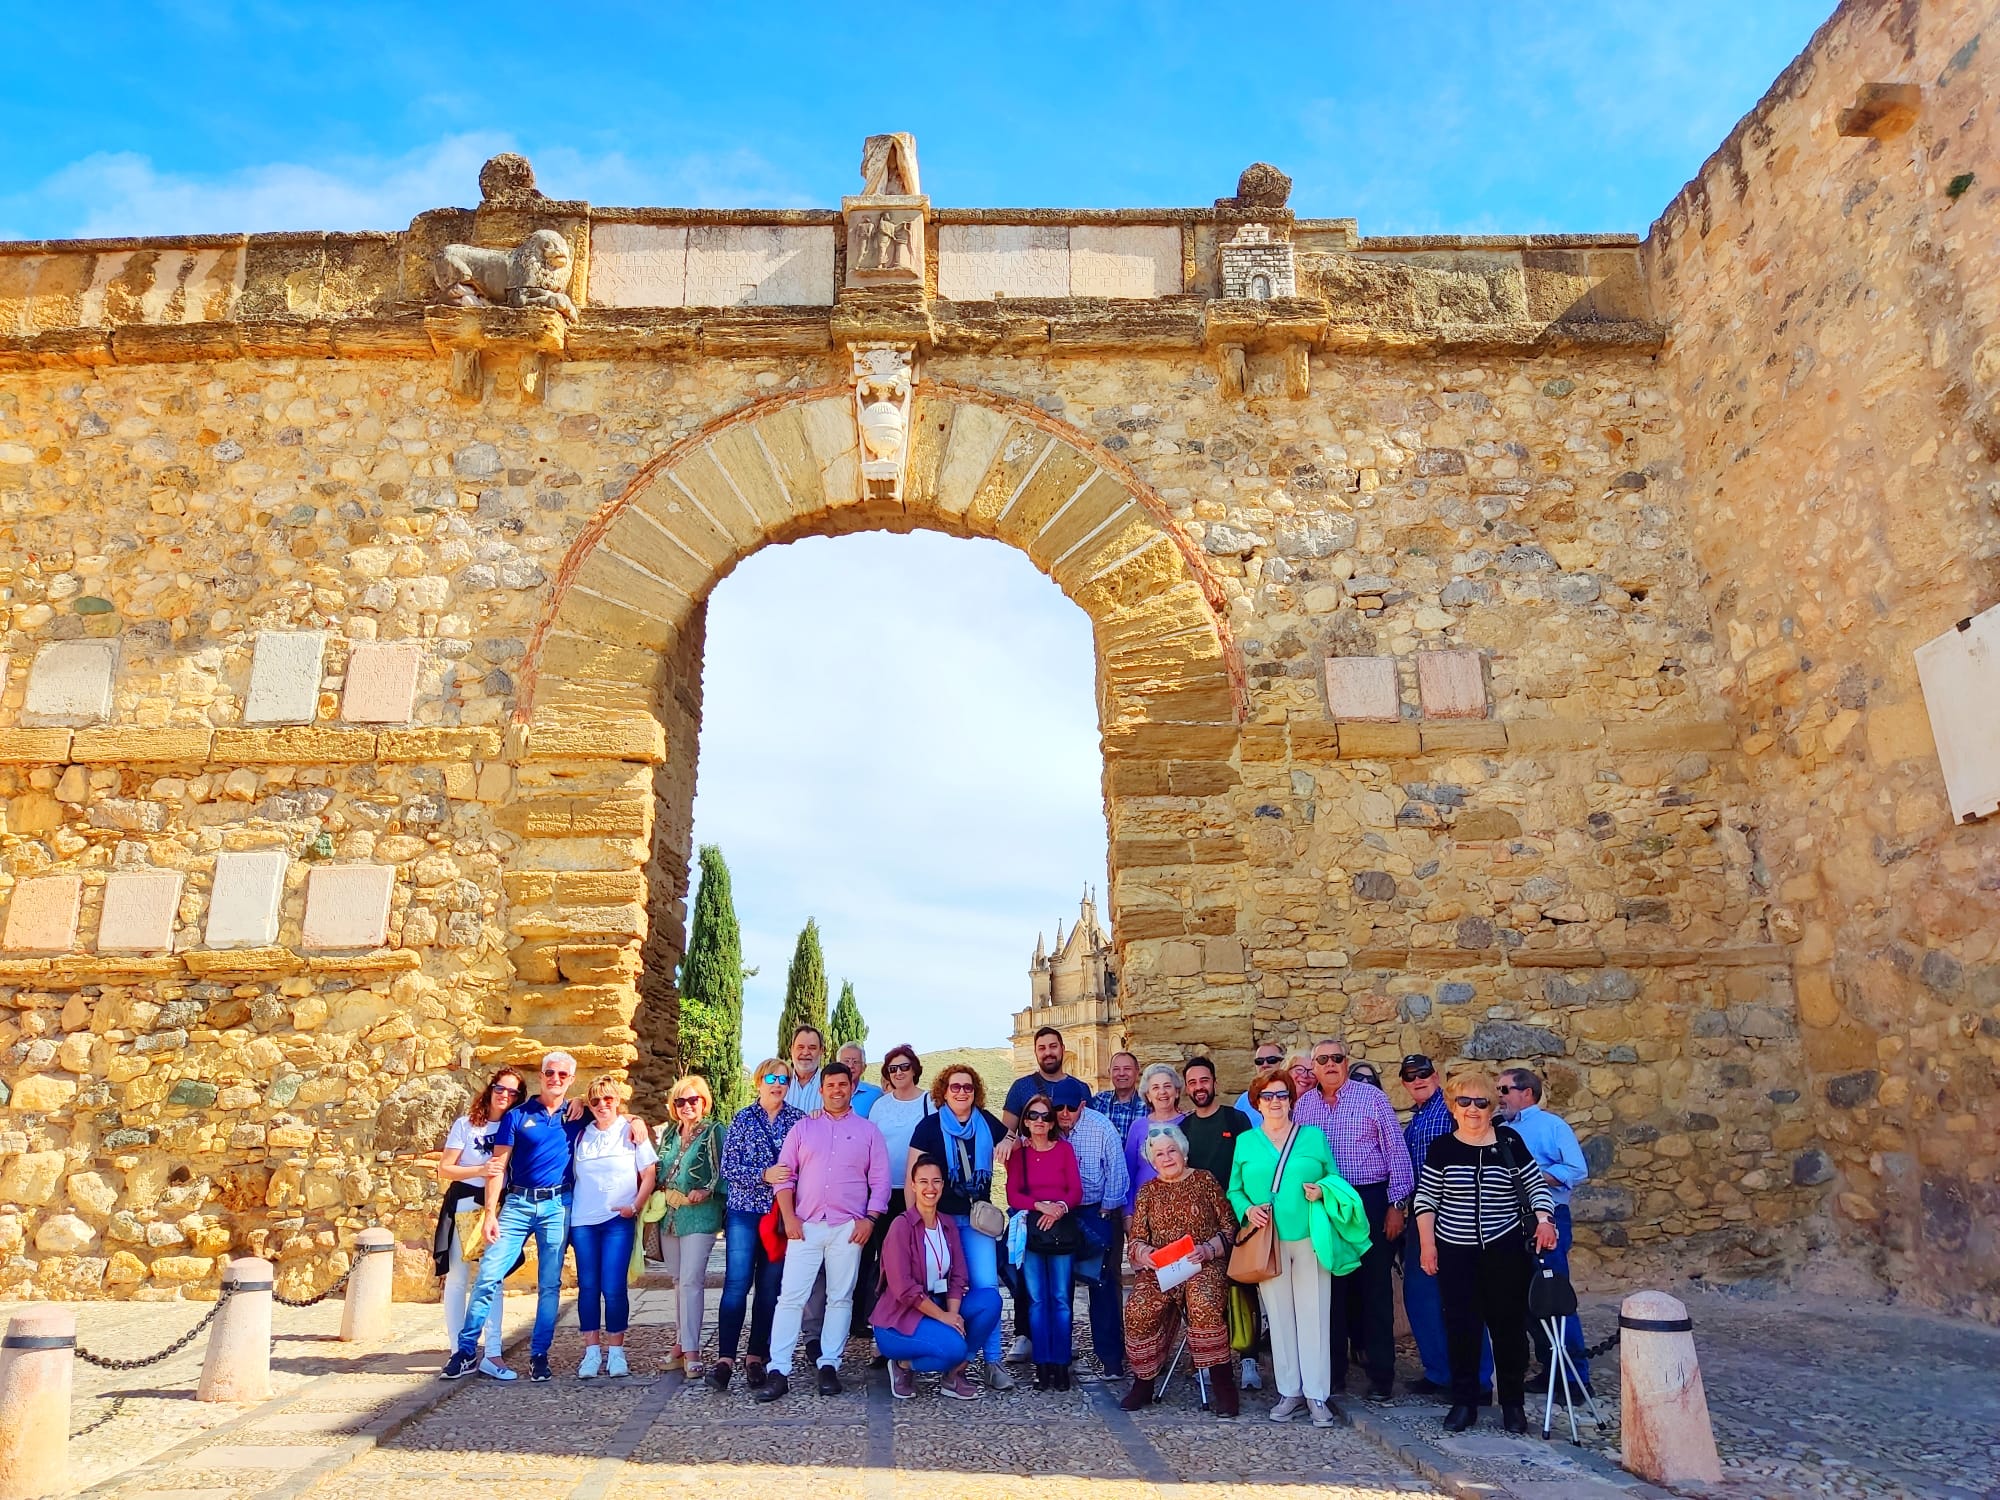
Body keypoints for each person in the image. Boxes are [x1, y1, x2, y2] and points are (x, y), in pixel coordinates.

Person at [1413, 1066, 1557, 1434]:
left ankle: (1513, 1405)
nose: (1473, 1109)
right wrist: (1427, 1246)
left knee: (1508, 1329)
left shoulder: (1509, 1143)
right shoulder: (1442, 1147)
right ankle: (1465, 1403)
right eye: (1464, 1101)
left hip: (1504, 1248)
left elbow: (1535, 1187)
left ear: (1492, 1106)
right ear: (1452, 1106)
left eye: (1481, 1102)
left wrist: (1545, 1220)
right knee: (1462, 1329)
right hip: (1455, 1251)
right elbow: (1427, 1199)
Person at [441, 1051, 591, 1383]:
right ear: (541, 1075)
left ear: (571, 1079)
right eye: (550, 1073)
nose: (555, 1080)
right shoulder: (517, 1116)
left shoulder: (578, 1113)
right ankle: (466, 1351)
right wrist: (491, 1213)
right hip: (518, 1204)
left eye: (563, 1076)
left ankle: (539, 1354)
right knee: (488, 1276)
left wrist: (635, 1123)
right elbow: (498, 1166)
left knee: (550, 1284)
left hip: (557, 1205)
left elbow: (616, 1112)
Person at [1228, 1066, 1359, 1428]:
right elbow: (1234, 1189)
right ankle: (1290, 1391)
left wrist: (1322, 1190)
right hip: (1267, 1240)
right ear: (1257, 1102)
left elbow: (1334, 1177)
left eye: (1281, 1095)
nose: (1275, 1102)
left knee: (1315, 1314)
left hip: (1308, 1238)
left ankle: (1317, 1394)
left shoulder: (1313, 1137)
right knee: (1280, 1317)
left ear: (1291, 1099)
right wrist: (1247, 1209)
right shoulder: (1246, 1142)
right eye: (1267, 1096)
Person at [758, 1061, 889, 1403]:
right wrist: (788, 1218)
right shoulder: (803, 1129)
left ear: (851, 1088)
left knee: (840, 1298)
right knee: (790, 1299)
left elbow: (879, 1182)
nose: (836, 1091)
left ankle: (829, 1364)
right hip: (805, 1226)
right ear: (821, 1090)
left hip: (848, 1228)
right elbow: (784, 1176)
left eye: (842, 1085)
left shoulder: (868, 1132)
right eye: (830, 1085)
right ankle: (778, 1369)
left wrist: (870, 1219)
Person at [1293, 1036, 1412, 1401]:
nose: (1330, 1064)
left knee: (1374, 1289)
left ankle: (1381, 1377)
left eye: (1337, 1058)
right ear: (1313, 1068)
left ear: (1346, 1063)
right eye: (1322, 1059)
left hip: (1368, 1200)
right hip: (1325, 1203)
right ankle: (1333, 1376)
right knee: (1331, 1291)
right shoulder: (1303, 1108)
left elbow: (1397, 1152)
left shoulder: (1371, 1098)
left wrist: (1396, 1205)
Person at [907, 1064, 1015, 1389]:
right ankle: (943, 1355)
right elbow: (912, 1175)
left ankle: (992, 1361)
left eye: (967, 1087)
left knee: (987, 1289)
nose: (961, 1092)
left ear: (975, 1091)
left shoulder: (985, 1122)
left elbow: (1014, 1136)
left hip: (977, 1221)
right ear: (944, 1090)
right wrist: (913, 1223)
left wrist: (1010, 1140)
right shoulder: (928, 1127)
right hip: (939, 1221)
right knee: (938, 1288)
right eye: (955, 1087)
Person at [1119, 1124, 1239, 1418]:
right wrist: (1146, 1254)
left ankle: (1223, 1383)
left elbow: (1230, 1226)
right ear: (1152, 1160)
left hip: (1203, 1263)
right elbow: (1135, 1239)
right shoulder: (1148, 1191)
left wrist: (1209, 1249)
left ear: (1183, 1151)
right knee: (1138, 1307)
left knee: (1203, 1300)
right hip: (1163, 1269)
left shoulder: (1205, 1181)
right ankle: (1144, 1381)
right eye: (1159, 1153)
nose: (1167, 1157)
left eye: (1171, 1150)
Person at [870, 1153, 998, 1401]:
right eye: (924, 1182)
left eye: (936, 1181)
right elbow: (903, 1288)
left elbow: (958, 1276)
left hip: (937, 1305)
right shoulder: (901, 1226)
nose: (931, 1188)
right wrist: (944, 1318)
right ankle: (903, 1365)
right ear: (913, 1185)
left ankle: (954, 1375)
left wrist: (954, 1314)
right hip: (899, 1319)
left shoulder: (947, 1224)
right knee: (954, 1347)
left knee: (990, 1301)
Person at [711, 1059, 805, 1392]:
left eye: (783, 1078)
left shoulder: (799, 1121)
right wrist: (763, 1175)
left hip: (780, 1215)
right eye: (771, 1077)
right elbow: (729, 1168)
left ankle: (756, 1357)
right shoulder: (743, 1118)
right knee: (736, 1283)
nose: (777, 1083)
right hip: (745, 1213)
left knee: (770, 1287)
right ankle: (724, 1359)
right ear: (758, 1082)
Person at [1498, 1067, 1592, 1393]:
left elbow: (1577, 1169)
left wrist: (1531, 1175)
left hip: (1549, 1217)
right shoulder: (1499, 1128)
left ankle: (1574, 1379)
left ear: (1527, 1093)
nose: (1499, 1096)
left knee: (1554, 1296)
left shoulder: (1552, 1126)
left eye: (1505, 1090)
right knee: (1525, 1299)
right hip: (1510, 1222)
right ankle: (1549, 1369)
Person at [1398, 1052, 1483, 1400]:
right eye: (1410, 1075)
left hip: (1455, 1212)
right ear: (1403, 1083)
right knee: (1421, 1296)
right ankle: (1439, 1372)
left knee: (1463, 1298)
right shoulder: (1414, 1122)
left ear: (1437, 1075)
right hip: (1421, 1214)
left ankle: (1477, 1380)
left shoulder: (1451, 1109)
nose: (1418, 1079)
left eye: (1424, 1073)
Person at [434, 1067, 521, 1380]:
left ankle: (493, 1352)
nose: (505, 1096)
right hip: (465, 1202)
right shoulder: (467, 1124)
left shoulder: (516, 1125)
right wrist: (481, 1170)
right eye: (501, 1089)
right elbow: (446, 1168)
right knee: (458, 1278)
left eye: (512, 1093)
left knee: (492, 1279)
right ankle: (459, 1350)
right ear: (491, 1088)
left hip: (498, 1205)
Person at [570, 1076, 659, 1377]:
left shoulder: (631, 1131)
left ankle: (617, 1352)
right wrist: (577, 1102)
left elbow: (649, 1173)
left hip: (617, 1221)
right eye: (595, 1100)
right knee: (588, 1287)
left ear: (618, 1100)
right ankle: (592, 1352)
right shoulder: (581, 1135)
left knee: (614, 1286)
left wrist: (634, 1206)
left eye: (608, 1099)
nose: (602, 1105)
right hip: (583, 1222)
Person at [1049, 1078, 1130, 1379]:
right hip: (1057, 1214)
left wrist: (1106, 1210)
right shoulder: (1048, 1124)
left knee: (1103, 1284)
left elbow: (1117, 1172)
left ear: (1083, 1105)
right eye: (1059, 1108)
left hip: (1096, 1209)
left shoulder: (1101, 1127)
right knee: (1059, 1286)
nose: (1064, 1113)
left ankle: (1110, 1357)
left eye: (1071, 1107)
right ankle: (1058, 1357)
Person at [1009, 1094, 1084, 1389]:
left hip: (1061, 1231)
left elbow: (1075, 1190)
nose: (1039, 1121)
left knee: (1062, 1301)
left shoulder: (1064, 1151)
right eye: (1033, 1116)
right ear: (1026, 1121)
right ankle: (1042, 1364)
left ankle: (1061, 1363)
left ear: (1052, 1121)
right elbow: (1013, 1194)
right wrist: (1042, 1206)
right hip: (1033, 1233)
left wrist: (1059, 1208)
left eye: (1045, 1116)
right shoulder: (1020, 1155)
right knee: (1038, 1301)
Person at [654, 1074, 724, 1377]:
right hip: (669, 1217)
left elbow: (725, 1169)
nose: (686, 1106)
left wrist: (707, 1189)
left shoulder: (714, 1131)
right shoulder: (669, 1134)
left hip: (699, 1215)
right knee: (678, 1282)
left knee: (692, 1280)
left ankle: (693, 1348)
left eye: (693, 1099)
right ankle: (682, 1342)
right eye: (680, 1101)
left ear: (703, 1102)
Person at [868, 1044, 935, 1226]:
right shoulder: (880, 1106)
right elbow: (869, 1145)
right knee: (886, 1248)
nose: (899, 1072)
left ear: (914, 1070)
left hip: (920, 1190)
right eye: (893, 1069)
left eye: (904, 1067)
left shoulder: (931, 1102)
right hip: (883, 1191)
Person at [1122, 1062, 1186, 1213]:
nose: (1162, 1092)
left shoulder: (1190, 1122)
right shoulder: (1138, 1127)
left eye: (1167, 1086)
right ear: (1148, 1096)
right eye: (1155, 1088)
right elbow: (1128, 1175)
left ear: (1176, 1092)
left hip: (1183, 1207)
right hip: (1145, 1210)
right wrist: (1128, 1214)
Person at [1003, 1025, 1082, 1128]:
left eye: (1053, 1046)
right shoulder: (1020, 1087)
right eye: (1042, 1048)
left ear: (1062, 1049)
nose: (1048, 1052)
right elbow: (1006, 1134)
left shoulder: (1082, 1088)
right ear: (1035, 1052)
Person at [1181, 1058, 1244, 1186]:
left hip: (1233, 1202)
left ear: (1215, 1083)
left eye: (1204, 1081)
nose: (1199, 1087)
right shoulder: (1183, 1128)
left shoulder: (1235, 1119)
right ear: (1187, 1089)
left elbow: (1249, 1163)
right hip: (1198, 1203)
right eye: (1192, 1083)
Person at [1092, 1050, 1146, 1140]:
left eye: (1127, 1069)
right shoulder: (1098, 1102)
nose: (1121, 1073)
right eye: (1116, 1069)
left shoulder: (1147, 1105)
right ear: (1109, 1072)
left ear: (1137, 1072)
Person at [1234, 1042, 1289, 1122]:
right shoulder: (1244, 1099)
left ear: (1283, 1062)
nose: (1265, 1065)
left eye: (1271, 1060)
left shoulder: (1290, 1095)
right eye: (1259, 1061)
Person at [784, 1025, 825, 1113]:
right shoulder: (778, 1083)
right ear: (791, 1050)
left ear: (821, 1051)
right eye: (800, 1047)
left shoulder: (832, 1085)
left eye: (812, 1048)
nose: (805, 1052)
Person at [840, 1042, 884, 1116]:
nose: (850, 1066)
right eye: (846, 1061)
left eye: (855, 1062)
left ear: (864, 1067)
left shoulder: (876, 1094)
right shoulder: (827, 1093)